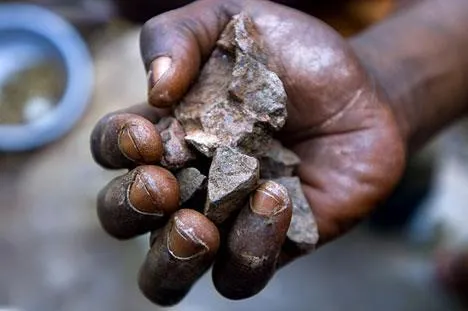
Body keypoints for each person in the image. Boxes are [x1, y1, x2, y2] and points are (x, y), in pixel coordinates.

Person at [90, 0, 468, 306]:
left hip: (392, 35)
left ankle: (407, 223)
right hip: (382, 90)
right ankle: (410, 227)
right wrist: (386, 93)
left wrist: (389, 90)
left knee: (408, 186)